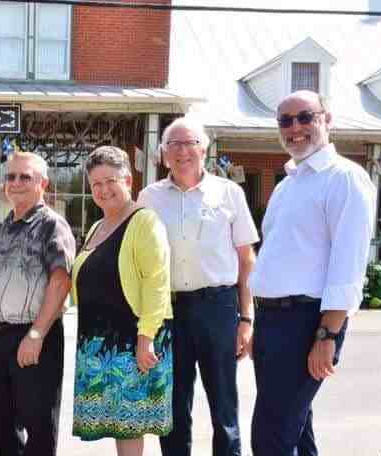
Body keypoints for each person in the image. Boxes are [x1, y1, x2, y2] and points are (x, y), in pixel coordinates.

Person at [249, 90, 375, 456]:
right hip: (274, 322)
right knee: (296, 431)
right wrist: (261, 322)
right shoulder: (289, 184)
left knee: (271, 437)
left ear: (327, 119)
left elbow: (348, 263)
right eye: (285, 121)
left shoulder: (345, 179)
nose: (295, 128)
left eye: (305, 117)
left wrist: (327, 334)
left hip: (308, 322)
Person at [140, 118, 258, 456]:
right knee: (174, 406)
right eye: (172, 145)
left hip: (218, 307)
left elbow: (246, 259)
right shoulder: (149, 197)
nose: (181, 151)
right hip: (168, 311)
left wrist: (246, 318)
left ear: (203, 150)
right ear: (163, 155)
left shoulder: (229, 193)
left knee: (224, 404)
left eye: (189, 142)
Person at [71, 146, 173, 456]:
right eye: (96, 184)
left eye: (110, 181)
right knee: (118, 424)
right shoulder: (96, 227)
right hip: (100, 342)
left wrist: (146, 338)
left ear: (128, 179)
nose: (103, 190)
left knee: (129, 425)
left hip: (131, 339)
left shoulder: (144, 221)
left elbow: (157, 283)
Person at [0, 152, 76, 456]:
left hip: (33, 337)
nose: (16, 183)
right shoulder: (0, 229)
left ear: (43, 183)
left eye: (25, 177)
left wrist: (36, 334)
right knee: (0, 428)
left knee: (39, 428)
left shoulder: (51, 226)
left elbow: (60, 283)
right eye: (11, 176)